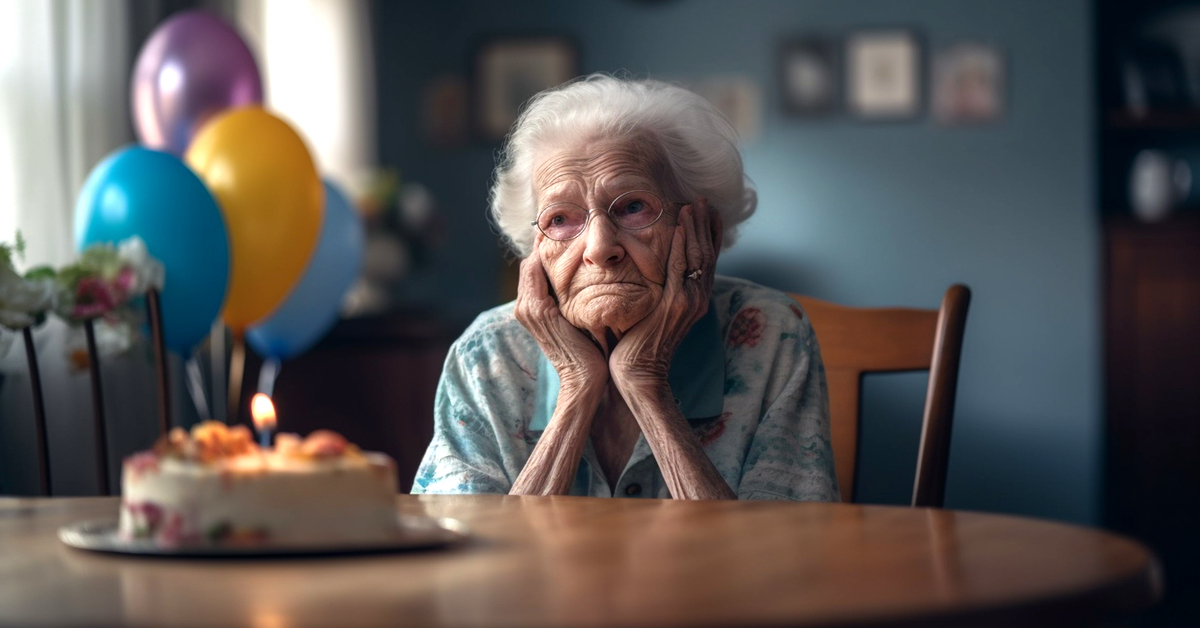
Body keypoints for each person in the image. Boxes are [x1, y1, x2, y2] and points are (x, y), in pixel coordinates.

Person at [412, 74, 837, 501]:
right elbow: (471, 563)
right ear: (537, 248)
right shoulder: (489, 354)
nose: (599, 248)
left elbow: (782, 556)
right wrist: (577, 386)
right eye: (561, 219)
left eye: (633, 207)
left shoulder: (768, 334)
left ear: (702, 229)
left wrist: (645, 382)